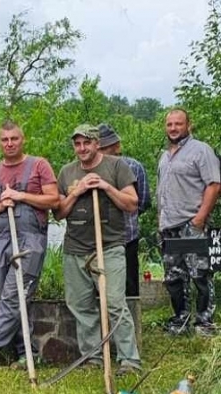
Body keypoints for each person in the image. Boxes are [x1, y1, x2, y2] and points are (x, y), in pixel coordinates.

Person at [55, 124, 142, 375]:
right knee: (81, 305)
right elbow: (59, 212)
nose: (82, 148)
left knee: (115, 302)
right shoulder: (67, 172)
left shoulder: (116, 166)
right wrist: (78, 191)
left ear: (96, 143)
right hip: (75, 247)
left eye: (87, 143)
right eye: (77, 144)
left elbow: (132, 203)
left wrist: (105, 187)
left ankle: (129, 360)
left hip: (110, 246)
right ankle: (93, 358)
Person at [0, 121, 59, 366]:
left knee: (14, 295)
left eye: (14, 139)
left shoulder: (39, 165)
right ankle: (27, 353)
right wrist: (1, 205)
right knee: (9, 297)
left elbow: (53, 200)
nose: (9, 143)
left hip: (30, 239)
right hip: (2, 237)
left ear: (23, 140)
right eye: (4, 139)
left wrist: (20, 196)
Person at [156, 109, 220, 335]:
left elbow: (214, 185)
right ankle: (180, 321)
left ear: (188, 125)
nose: (173, 128)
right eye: (170, 124)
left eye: (178, 124)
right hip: (169, 226)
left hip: (190, 222)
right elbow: (161, 191)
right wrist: (160, 221)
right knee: (174, 276)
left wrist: (200, 218)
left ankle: (204, 323)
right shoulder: (165, 156)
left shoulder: (201, 151)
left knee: (200, 273)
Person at [97, 123, 151, 298]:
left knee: (129, 285)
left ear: (116, 146)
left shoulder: (133, 166)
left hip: (127, 237)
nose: (102, 151)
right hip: (98, 237)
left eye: (106, 147)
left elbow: (142, 202)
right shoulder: (90, 169)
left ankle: (132, 322)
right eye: (99, 147)